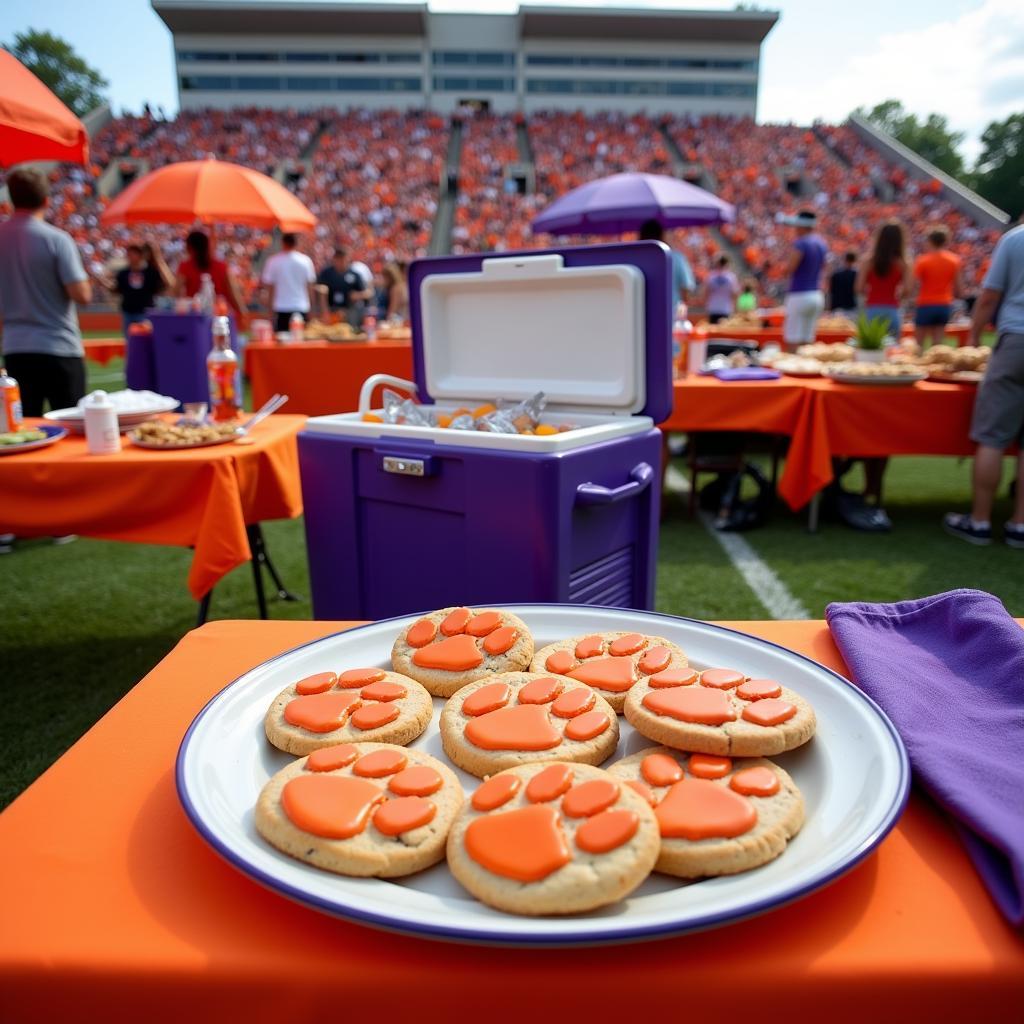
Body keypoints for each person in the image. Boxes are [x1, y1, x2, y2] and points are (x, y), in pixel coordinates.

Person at [944, 218, 1024, 548]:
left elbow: (989, 296)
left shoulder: (1015, 238)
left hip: (1016, 339)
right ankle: (1020, 525)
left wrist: (974, 335)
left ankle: (979, 521)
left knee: (991, 436)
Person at [0, 167, 91, 415]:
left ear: (11, 199)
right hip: (59, 347)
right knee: (72, 430)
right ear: (46, 200)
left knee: (24, 434)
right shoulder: (57, 239)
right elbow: (82, 295)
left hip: (16, 349)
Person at [98, 242, 174, 336]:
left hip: (145, 313)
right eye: (128, 254)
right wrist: (104, 282)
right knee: (130, 343)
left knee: (146, 341)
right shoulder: (123, 273)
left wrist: (158, 259)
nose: (129, 256)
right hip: (128, 312)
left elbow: (169, 283)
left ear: (140, 255)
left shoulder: (149, 272)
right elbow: (117, 290)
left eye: (132, 253)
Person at [857, 219, 911, 340]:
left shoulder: (868, 261)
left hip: (872, 309)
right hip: (892, 310)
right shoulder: (903, 263)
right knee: (892, 351)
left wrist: (872, 294)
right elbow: (907, 290)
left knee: (870, 353)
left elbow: (859, 288)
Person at [781, 210, 828, 349]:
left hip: (799, 295)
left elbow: (790, 268)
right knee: (807, 340)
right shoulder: (821, 243)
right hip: (816, 294)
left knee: (793, 339)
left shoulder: (801, 243)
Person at [913, 225, 964, 349]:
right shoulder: (954, 260)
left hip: (925, 303)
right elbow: (959, 288)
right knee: (937, 344)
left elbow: (914, 284)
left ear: (930, 240)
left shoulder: (923, 260)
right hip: (944, 304)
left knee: (919, 343)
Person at [176, 230, 245, 318]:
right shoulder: (221, 266)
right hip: (221, 315)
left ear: (190, 248)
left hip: (196, 317)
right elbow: (233, 293)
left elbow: (175, 292)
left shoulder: (185, 266)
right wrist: (242, 312)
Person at [261, 233, 316, 333]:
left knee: (281, 344)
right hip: (301, 307)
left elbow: (270, 288)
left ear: (283, 243)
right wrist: (311, 308)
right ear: (296, 243)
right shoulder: (305, 261)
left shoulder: (273, 261)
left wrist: (270, 311)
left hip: (280, 308)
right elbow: (309, 287)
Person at [638, 219, 695, 306]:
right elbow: (686, 289)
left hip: (639, 313)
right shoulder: (676, 257)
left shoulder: (635, 258)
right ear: (662, 235)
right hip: (670, 313)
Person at [316, 248, 373, 328]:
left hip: (349, 310)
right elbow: (319, 289)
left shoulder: (354, 274)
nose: (341, 262)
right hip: (331, 310)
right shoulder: (327, 274)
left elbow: (368, 293)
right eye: (338, 259)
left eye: (343, 259)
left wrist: (357, 295)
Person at [704, 255, 739, 324]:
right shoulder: (731, 277)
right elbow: (735, 294)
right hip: (726, 309)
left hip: (713, 308)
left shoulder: (711, 276)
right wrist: (735, 307)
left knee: (713, 332)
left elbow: (706, 292)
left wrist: (706, 305)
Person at [828, 251, 858, 317]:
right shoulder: (856, 274)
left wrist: (830, 308)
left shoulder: (836, 274)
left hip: (837, 308)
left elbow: (831, 292)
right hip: (851, 307)